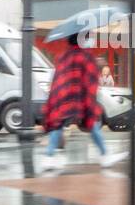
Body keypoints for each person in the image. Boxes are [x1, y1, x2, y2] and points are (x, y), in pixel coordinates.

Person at [39, 31, 127, 170]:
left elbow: (57, 79)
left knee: (58, 123)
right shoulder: (85, 57)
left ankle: (49, 157)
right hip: (79, 97)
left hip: (62, 96)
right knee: (91, 123)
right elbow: (91, 80)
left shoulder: (62, 57)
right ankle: (105, 155)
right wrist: (90, 100)